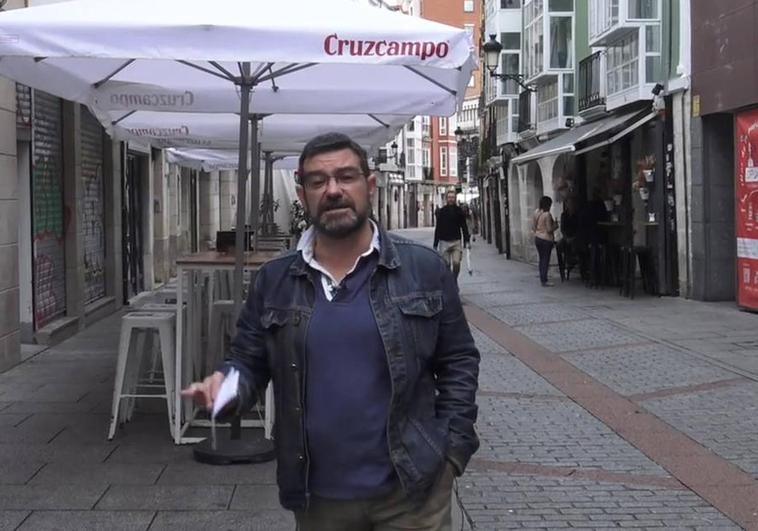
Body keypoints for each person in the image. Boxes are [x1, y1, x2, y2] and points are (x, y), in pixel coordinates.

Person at [182, 132, 480, 531]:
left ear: (369, 186)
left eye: (345, 177)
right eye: (318, 182)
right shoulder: (275, 280)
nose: (333, 190)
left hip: (412, 492)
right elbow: (248, 361)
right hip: (317, 497)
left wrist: (452, 452)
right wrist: (225, 388)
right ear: (303, 196)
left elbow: (459, 360)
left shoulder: (423, 269)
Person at [433, 189, 471, 281]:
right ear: (446, 199)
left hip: (456, 242)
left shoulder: (459, 212)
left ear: (455, 199)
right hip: (444, 242)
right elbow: (438, 228)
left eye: (452, 197)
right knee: (446, 265)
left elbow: (464, 227)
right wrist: (435, 244)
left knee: (456, 262)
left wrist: (467, 240)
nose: (451, 199)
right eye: (449, 197)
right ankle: (449, 282)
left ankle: (454, 279)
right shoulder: (441, 212)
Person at [533, 195, 556, 287]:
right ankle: (544, 280)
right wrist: (556, 226)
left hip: (538, 238)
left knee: (541, 259)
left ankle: (542, 278)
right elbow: (549, 229)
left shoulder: (536, 212)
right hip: (546, 239)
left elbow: (533, 227)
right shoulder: (547, 215)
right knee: (545, 260)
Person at [556, 198, 579, 281]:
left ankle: (572, 260)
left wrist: (574, 237)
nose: (571, 206)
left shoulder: (577, 215)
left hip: (576, 237)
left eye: (572, 204)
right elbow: (562, 228)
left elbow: (579, 228)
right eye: (569, 204)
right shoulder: (564, 215)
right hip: (567, 237)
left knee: (576, 246)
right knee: (558, 246)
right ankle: (562, 270)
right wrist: (566, 238)